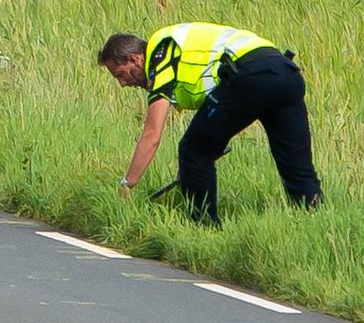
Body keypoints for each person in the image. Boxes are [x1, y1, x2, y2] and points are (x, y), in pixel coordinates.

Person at [99, 23, 321, 226]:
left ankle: (203, 229)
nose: (122, 84)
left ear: (135, 58)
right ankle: (316, 224)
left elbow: (152, 133)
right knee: (297, 167)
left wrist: (127, 184)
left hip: (249, 76)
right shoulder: (179, 49)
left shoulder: (161, 50)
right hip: (286, 74)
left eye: (120, 74)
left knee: (194, 151)